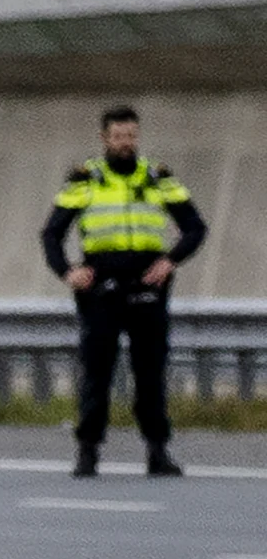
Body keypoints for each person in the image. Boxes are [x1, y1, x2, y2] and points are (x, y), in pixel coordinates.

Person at [43, 104, 208, 478]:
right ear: (104, 139)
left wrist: (171, 260)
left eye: (131, 136)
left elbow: (195, 226)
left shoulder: (157, 177)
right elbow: (51, 233)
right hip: (101, 286)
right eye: (118, 136)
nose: (125, 143)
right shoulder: (86, 178)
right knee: (97, 370)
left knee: (150, 371)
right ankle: (87, 452)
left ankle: (157, 450)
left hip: (147, 283)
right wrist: (68, 271)